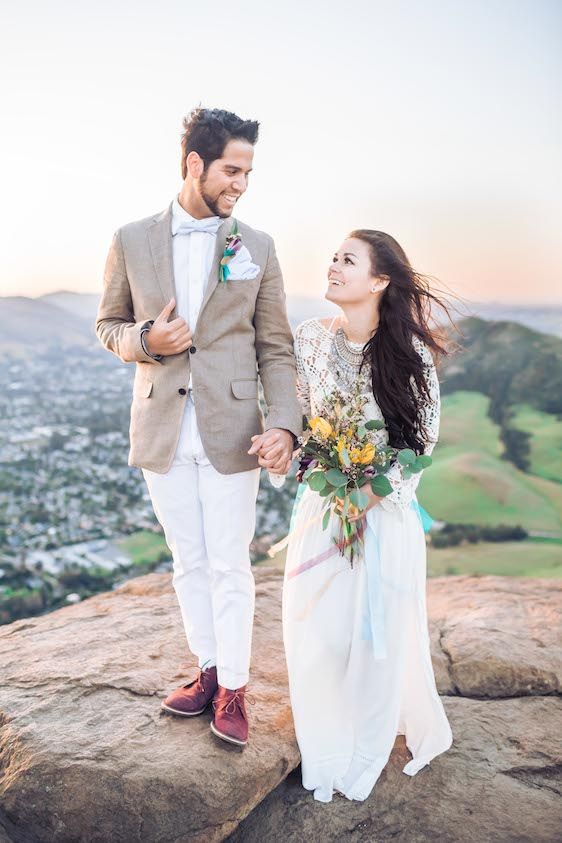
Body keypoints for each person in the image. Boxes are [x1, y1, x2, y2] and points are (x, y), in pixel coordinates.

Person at [96, 107, 301, 747]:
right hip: (161, 427)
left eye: (247, 172)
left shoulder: (258, 247)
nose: (240, 183)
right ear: (195, 164)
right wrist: (147, 341)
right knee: (187, 561)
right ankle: (209, 672)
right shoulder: (130, 239)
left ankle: (236, 689)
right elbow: (108, 326)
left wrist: (287, 427)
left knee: (229, 564)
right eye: (231, 170)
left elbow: (276, 348)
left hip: (233, 429)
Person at [282, 230, 453, 800]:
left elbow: (420, 443)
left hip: (384, 517)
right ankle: (324, 740)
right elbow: (306, 428)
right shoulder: (309, 340)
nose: (332, 266)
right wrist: (319, 474)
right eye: (333, 257)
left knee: (375, 638)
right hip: (323, 511)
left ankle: (364, 744)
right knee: (319, 635)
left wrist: (366, 497)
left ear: (379, 281)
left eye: (347, 260)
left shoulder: (409, 354)